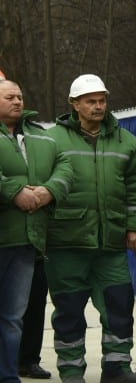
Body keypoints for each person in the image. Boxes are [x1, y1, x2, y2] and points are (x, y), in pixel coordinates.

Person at [46, 75, 136, 383]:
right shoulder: (52, 140)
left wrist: (134, 226)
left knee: (119, 306)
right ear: (74, 105)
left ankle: (116, 368)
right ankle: (71, 370)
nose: (98, 106)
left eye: (102, 100)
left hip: (111, 244)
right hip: (67, 242)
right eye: (90, 101)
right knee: (68, 312)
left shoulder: (125, 141)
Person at [0, 80, 72, 383]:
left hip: (27, 239)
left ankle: (8, 375)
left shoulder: (41, 138)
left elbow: (65, 167)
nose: (18, 101)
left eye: (20, 95)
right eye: (9, 97)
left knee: (13, 317)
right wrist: (15, 191)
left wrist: (47, 192)